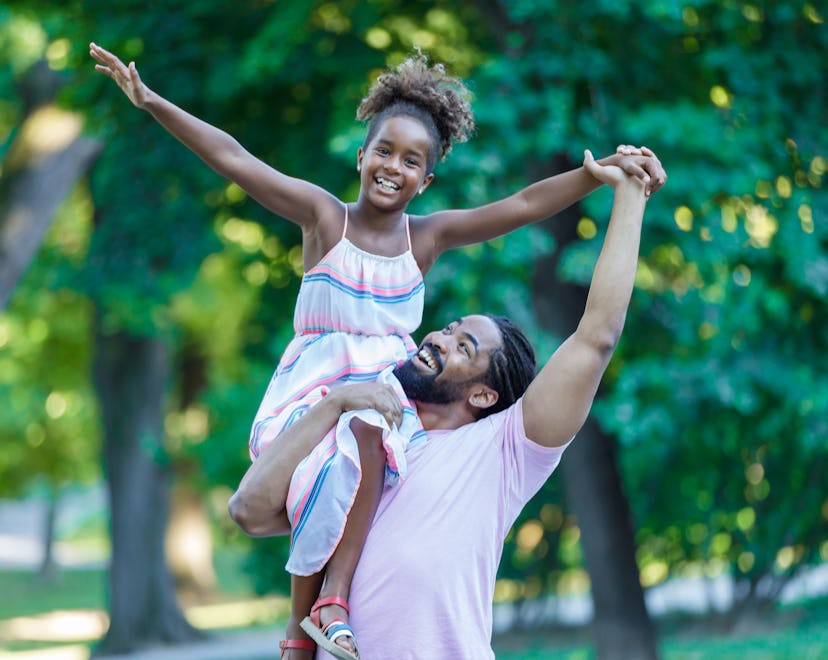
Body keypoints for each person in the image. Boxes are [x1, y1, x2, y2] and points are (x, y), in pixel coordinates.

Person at [89, 42, 665, 659]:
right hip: (320, 387)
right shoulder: (323, 219)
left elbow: (520, 206)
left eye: (412, 160)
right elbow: (236, 159)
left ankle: (332, 599)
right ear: (361, 155)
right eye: (384, 151)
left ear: (427, 179)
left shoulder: (428, 238)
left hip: (385, 390)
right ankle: (300, 627)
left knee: (366, 439)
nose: (394, 166)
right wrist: (152, 103)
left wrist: (594, 175)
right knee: (343, 448)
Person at [229, 151, 655, 659]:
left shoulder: (503, 452)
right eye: (450, 329)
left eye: (464, 347)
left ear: (483, 395)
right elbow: (248, 511)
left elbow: (596, 336)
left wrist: (630, 193)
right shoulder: (357, 442)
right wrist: (336, 402)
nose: (441, 338)